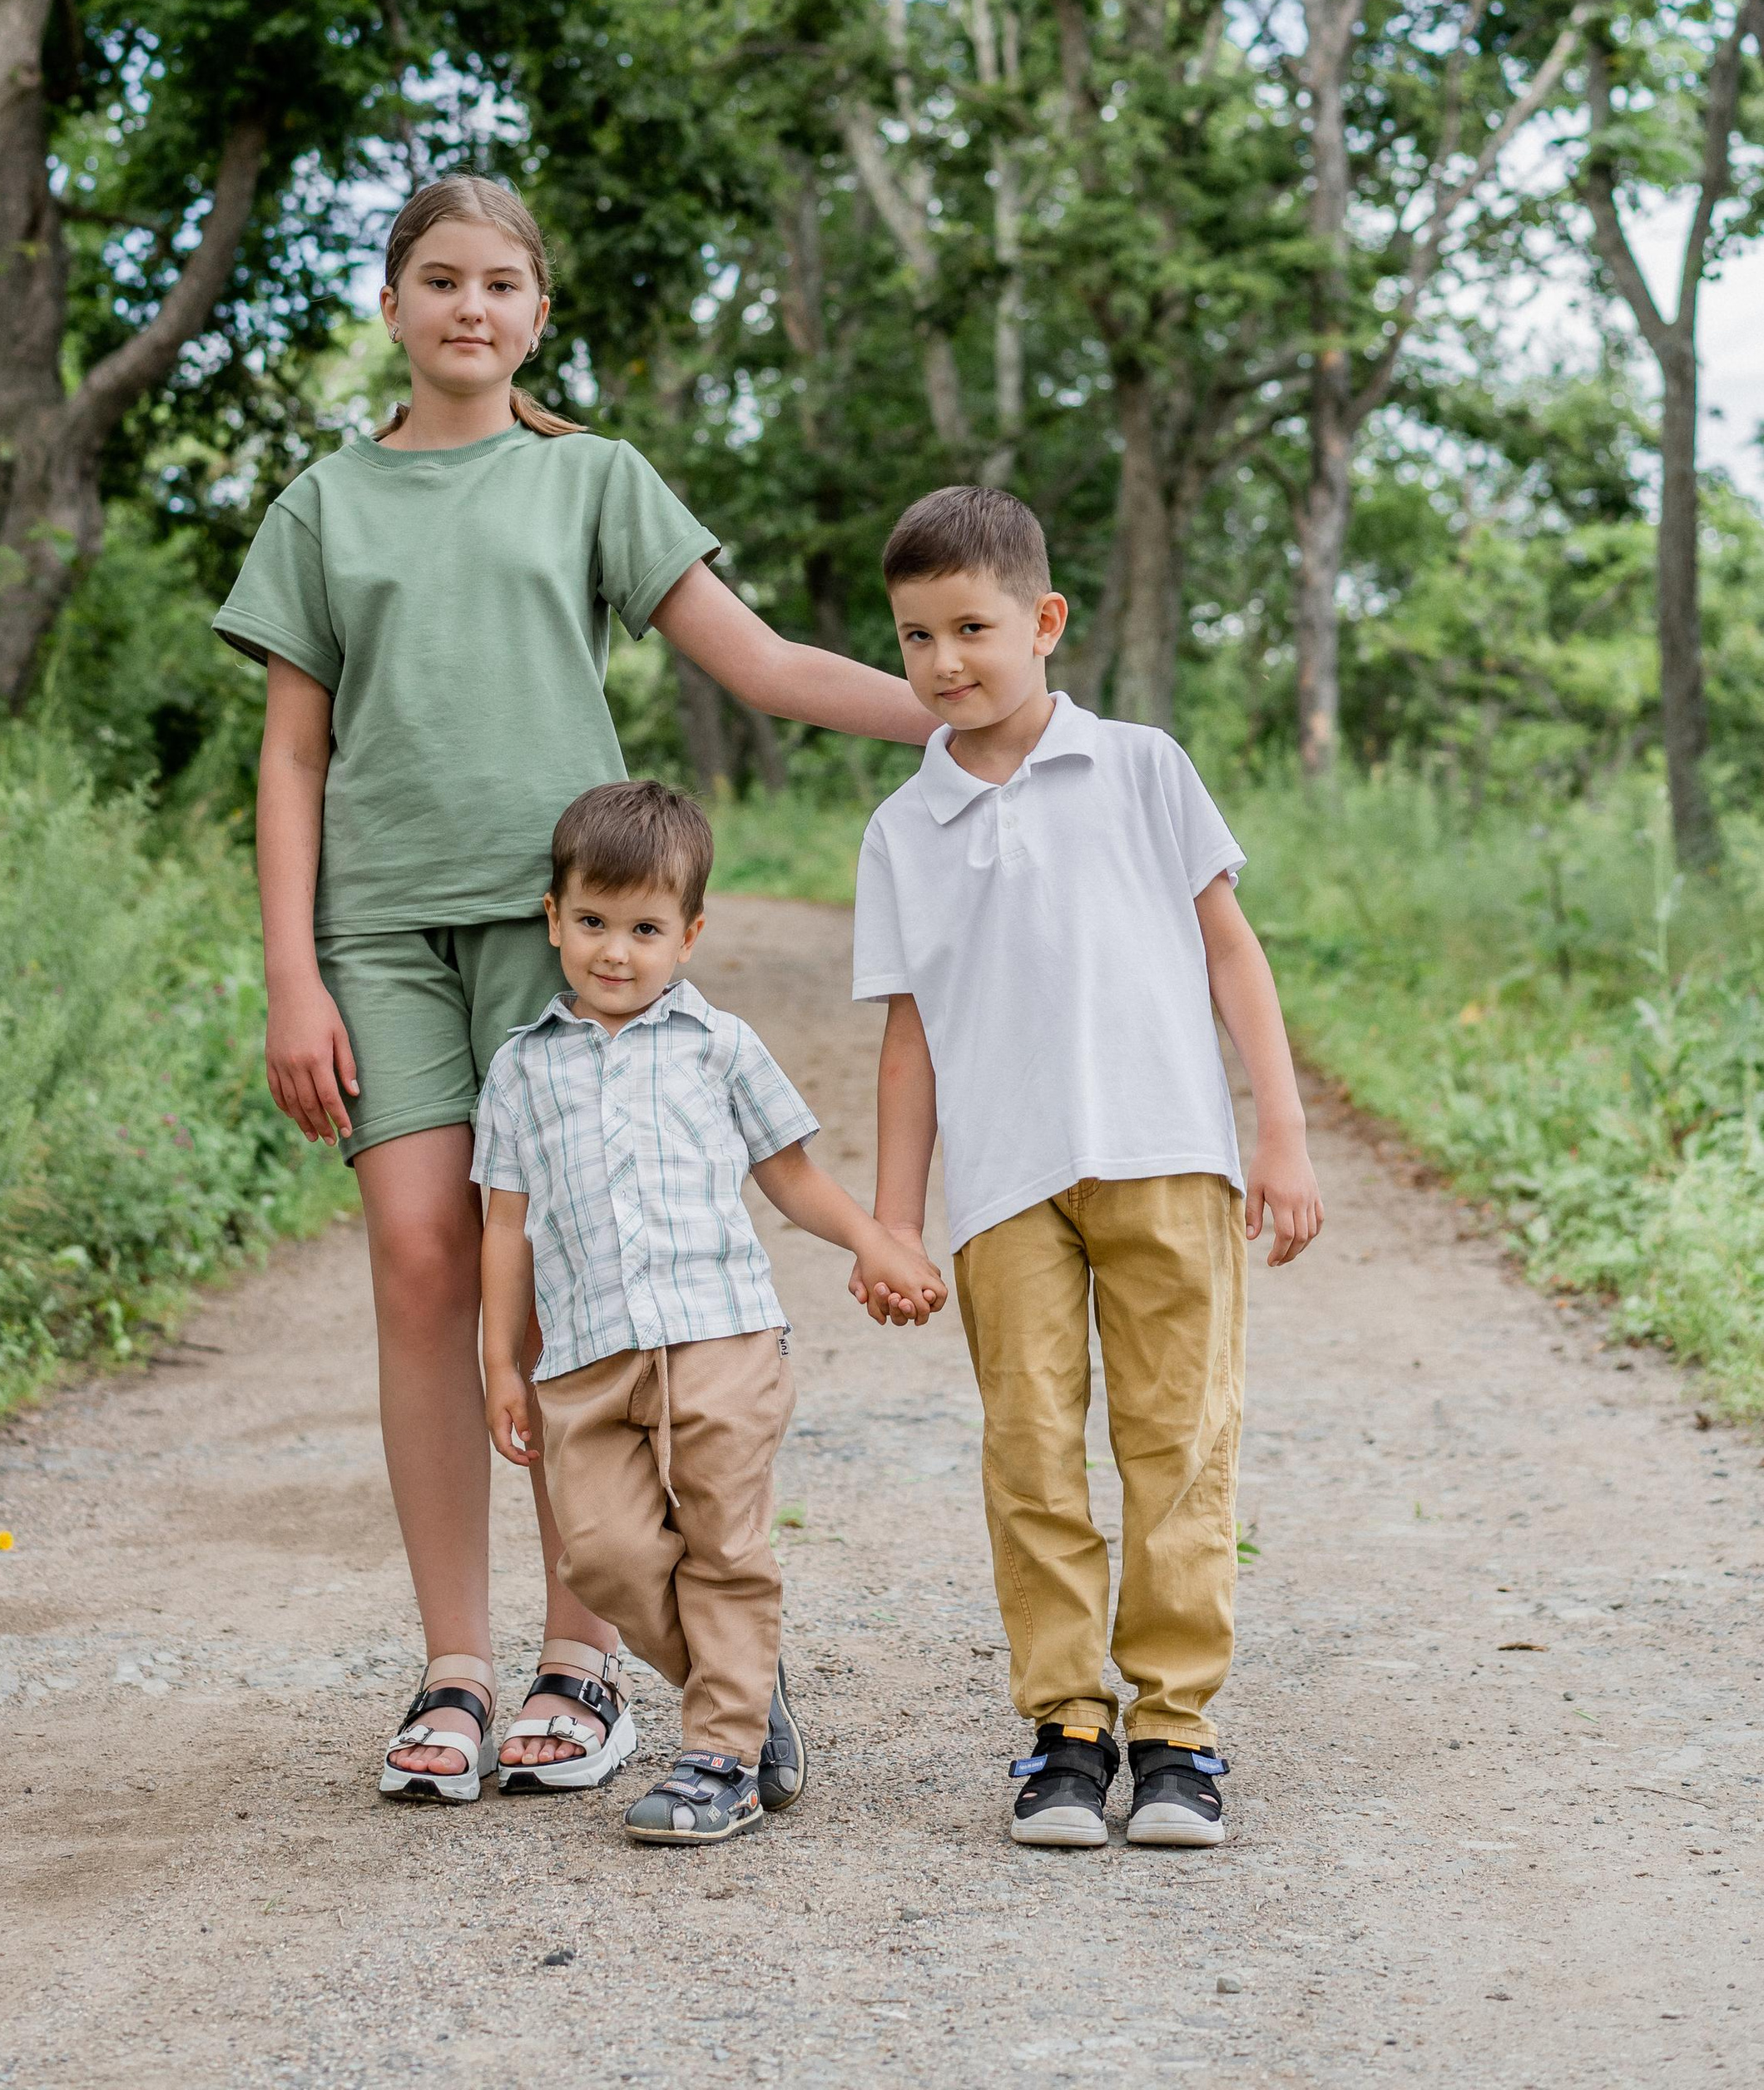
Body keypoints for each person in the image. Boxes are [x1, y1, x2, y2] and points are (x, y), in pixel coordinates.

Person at [211, 174, 933, 1800]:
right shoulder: (320, 509)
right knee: (418, 1260)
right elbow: (290, 754)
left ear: (539, 312)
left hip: (565, 935)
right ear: (392, 303)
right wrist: (289, 977)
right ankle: (453, 1665)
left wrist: (956, 707)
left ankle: (578, 1655)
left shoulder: (591, 479)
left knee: (544, 1280)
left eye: (502, 285)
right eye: (439, 280)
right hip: (384, 936)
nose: (471, 307)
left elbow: (753, 662)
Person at [850, 483, 1324, 1853]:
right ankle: (1065, 1726)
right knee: (1031, 1455)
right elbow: (907, 1046)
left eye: (972, 627)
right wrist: (892, 1219)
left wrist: (1276, 1134)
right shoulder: (904, 830)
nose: (944, 661)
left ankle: (1176, 1730)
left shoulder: (1143, 769)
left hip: (1171, 1156)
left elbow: (1233, 953)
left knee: (1180, 1449)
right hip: (1004, 1192)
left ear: (1046, 621)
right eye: (915, 636)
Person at [477, 779, 946, 1844]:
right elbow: (504, 1229)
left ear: (687, 935)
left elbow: (790, 1177)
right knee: (600, 1555)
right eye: (592, 922)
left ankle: (718, 1758)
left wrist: (876, 1238)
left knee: (724, 1543)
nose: (614, 951)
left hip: (722, 1332)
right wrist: (502, 1364)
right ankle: (743, 1685)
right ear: (553, 919)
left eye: (644, 929)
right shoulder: (519, 1070)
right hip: (588, 1358)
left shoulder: (719, 1045)